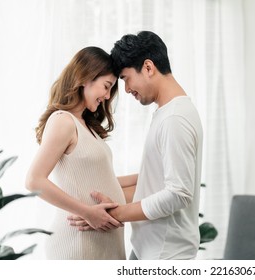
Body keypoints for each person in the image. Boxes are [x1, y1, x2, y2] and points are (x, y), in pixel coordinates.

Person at [69, 31, 203, 260]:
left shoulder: (174, 119)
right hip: (150, 250)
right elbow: (155, 179)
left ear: (148, 67)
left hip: (165, 256)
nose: (127, 89)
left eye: (125, 78)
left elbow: (178, 193)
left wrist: (115, 215)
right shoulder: (168, 113)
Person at [25, 46, 133, 260]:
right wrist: (87, 212)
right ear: (85, 77)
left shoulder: (88, 127)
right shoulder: (63, 121)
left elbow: (100, 180)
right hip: (79, 244)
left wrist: (148, 176)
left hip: (100, 243)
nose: (107, 95)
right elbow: (33, 180)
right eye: (106, 86)